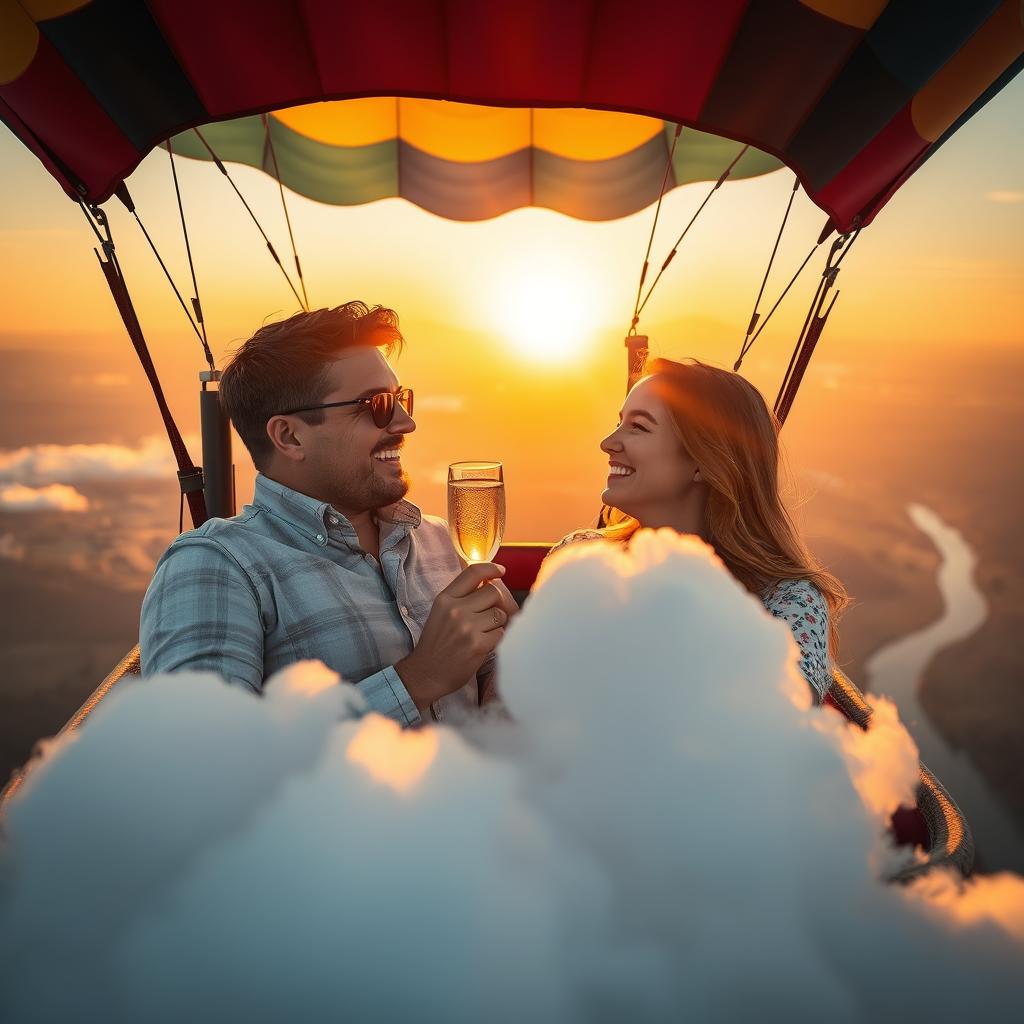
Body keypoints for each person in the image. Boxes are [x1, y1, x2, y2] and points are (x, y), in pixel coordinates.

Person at [140, 302, 516, 725]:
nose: (406, 423)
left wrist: (511, 658)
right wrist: (417, 680)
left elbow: (507, 700)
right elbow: (200, 764)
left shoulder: (442, 542)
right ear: (290, 436)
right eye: (378, 404)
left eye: (401, 399)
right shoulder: (217, 564)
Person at [552, 358, 848, 703]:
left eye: (639, 427)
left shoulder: (788, 602)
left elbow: (776, 726)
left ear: (701, 461)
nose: (608, 442)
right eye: (619, 423)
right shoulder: (578, 555)